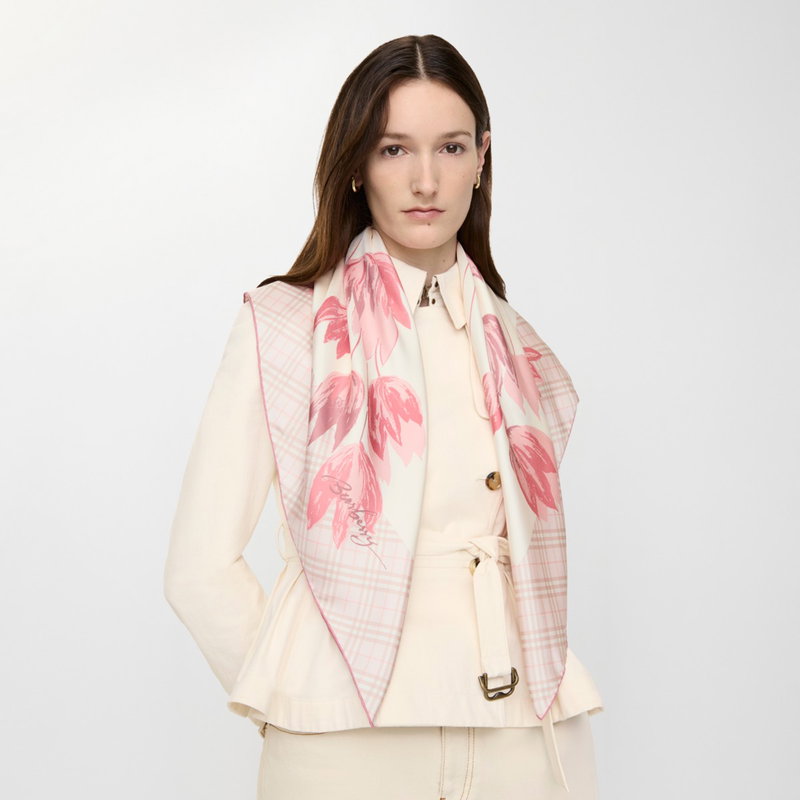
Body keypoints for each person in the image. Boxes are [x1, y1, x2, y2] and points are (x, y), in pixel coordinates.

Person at [164, 33, 604, 800]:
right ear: (357, 165)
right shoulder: (284, 326)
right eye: (394, 149)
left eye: (451, 148)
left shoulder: (521, 348)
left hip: (525, 737)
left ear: (482, 158)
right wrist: (295, 691)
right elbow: (198, 568)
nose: (425, 179)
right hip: (345, 747)